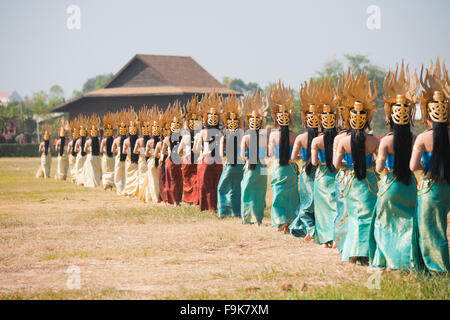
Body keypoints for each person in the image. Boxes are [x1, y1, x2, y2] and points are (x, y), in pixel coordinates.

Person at [333, 71, 379, 266]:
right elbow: (378, 163)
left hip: (351, 181)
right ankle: (366, 253)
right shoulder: (374, 140)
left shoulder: (343, 141)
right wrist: (370, 168)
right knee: (368, 217)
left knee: (353, 217)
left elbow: (336, 165)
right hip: (369, 182)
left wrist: (349, 167)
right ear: (367, 119)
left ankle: (352, 253)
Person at [409, 58, 450, 273]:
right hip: (447, 188)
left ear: (428, 117)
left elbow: (412, 166)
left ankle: (438, 268)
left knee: (431, 231)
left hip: (430, 188)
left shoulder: (423, 139)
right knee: (442, 229)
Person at [289, 79, 320, 239]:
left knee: (306, 203)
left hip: (306, 172)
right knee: (319, 203)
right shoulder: (323, 138)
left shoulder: (301, 138)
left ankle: (310, 229)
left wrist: (303, 156)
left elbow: (293, 158)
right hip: (321, 173)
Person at [267, 81, 299, 233]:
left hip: (278, 168)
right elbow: (299, 155)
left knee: (277, 196)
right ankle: (290, 223)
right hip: (292, 169)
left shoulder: (273, 135)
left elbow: (271, 154)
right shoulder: (295, 136)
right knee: (292, 197)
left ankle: (280, 222)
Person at [310, 79, 338, 248]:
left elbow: (313, 162)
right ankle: (336, 237)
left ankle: (324, 239)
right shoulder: (340, 139)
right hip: (336, 174)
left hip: (321, 176)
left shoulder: (316, 141)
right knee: (335, 206)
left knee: (322, 209)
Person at [240, 91, 269, 225]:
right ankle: (258, 219)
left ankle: (247, 218)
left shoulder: (246, 137)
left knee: (247, 191)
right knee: (260, 193)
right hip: (263, 168)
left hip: (250, 167)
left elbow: (242, 155)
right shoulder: (264, 137)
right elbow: (268, 154)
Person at [194, 92, 223, 211]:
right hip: (217, 161)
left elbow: (196, 149)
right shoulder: (220, 133)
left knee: (205, 185)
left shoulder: (203, 132)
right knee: (215, 184)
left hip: (206, 161)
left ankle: (207, 206)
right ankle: (214, 206)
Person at [217, 95, 244, 218]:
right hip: (242, 164)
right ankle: (237, 212)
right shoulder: (242, 134)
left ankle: (224, 212)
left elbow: (221, 154)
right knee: (236, 189)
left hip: (230, 165)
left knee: (222, 188)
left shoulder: (226, 135)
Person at [178, 97, 201, 205]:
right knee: (195, 180)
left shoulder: (186, 137)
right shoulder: (199, 136)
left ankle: (188, 199)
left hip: (187, 160)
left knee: (187, 180)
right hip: (197, 159)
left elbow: (179, 151)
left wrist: (181, 156)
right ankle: (195, 198)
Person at [164, 102, 184, 205]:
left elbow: (163, 151)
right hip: (174, 160)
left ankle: (175, 200)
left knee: (174, 180)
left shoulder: (168, 139)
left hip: (172, 161)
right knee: (176, 180)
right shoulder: (168, 139)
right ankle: (176, 200)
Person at [143, 107, 162, 203]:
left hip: (151, 161)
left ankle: (155, 198)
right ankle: (157, 197)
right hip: (158, 161)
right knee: (157, 180)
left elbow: (146, 153)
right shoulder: (161, 142)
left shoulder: (149, 142)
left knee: (153, 181)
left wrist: (152, 154)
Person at [154, 107, 172, 203]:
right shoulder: (159, 143)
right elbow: (156, 153)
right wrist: (161, 154)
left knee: (168, 180)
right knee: (161, 180)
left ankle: (168, 197)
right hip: (162, 161)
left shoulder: (172, 139)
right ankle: (162, 197)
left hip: (169, 161)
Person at [122, 109, 140, 197]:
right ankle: (133, 191)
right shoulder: (139, 140)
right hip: (134, 160)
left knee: (129, 176)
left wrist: (129, 151)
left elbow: (123, 152)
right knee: (134, 175)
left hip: (129, 160)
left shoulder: (126, 141)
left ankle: (130, 192)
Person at [135, 107, 151, 201]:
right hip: (147, 160)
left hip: (142, 160)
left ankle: (143, 195)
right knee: (147, 178)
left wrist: (141, 151)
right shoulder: (151, 141)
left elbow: (134, 151)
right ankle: (146, 194)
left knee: (142, 177)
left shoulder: (140, 140)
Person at [82, 114, 102, 188]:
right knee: (96, 170)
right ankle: (96, 183)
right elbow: (100, 149)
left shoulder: (88, 141)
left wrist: (89, 151)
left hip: (90, 156)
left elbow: (84, 149)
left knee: (90, 170)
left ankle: (91, 183)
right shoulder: (98, 140)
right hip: (97, 156)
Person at [112, 109, 128, 195]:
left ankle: (122, 189)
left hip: (125, 158)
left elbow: (112, 150)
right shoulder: (119, 140)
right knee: (120, 173)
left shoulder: (119, 140)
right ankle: (121, 189)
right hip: (121, 157)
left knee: (120, 174)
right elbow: (112, 150)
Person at [100, 112, 115, 191]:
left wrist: (104, 151)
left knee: (105, 171)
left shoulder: (104, 141)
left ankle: (106, 184)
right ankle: (110, 185)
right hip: (112, 158)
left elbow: (101, 150)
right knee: (112, 171)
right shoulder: (114, 140)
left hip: (105, 158)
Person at [74, 115, 88, 186]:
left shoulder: (78, 141)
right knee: (84, 168)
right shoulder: (87, 141)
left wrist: (79, 150)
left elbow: (75, 150)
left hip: (80, 155)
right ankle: (84, 180)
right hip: (85, 156)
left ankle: (80, 180)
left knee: (79, 168)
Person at [67, 119, 79, 183]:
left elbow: (68, 151)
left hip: (74, 156)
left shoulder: (71, 143)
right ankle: (74, 178)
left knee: (74, 167)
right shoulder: (72, 143)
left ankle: (74, 178)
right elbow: (68, 151)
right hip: (74, 156)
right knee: (74, 167)